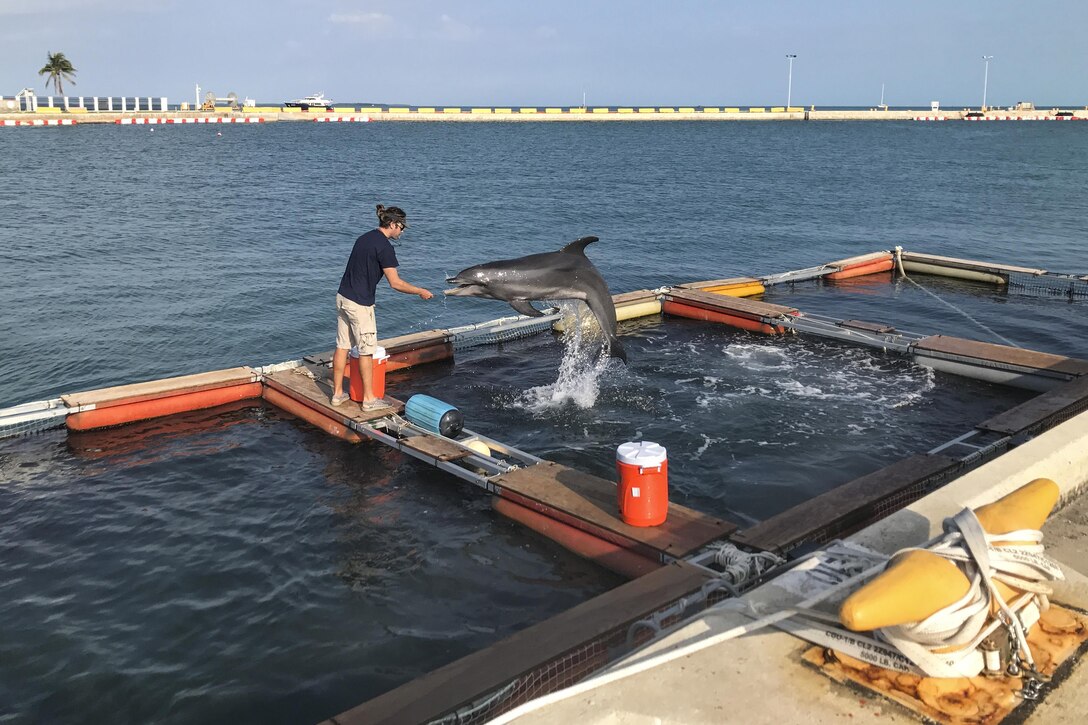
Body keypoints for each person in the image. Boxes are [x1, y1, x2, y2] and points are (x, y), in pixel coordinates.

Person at [330, 204, 433, 410]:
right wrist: (420, 291)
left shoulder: (364, 238)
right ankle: (369, 400)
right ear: (393, 224)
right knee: (366, 351)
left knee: (342, 346)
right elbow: (396, 283)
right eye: (401, 227)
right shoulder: (385, 248)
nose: (402, 231)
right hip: (359, 304)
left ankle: (337, 394)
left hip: (343, 297)